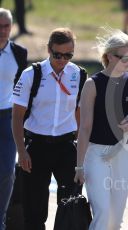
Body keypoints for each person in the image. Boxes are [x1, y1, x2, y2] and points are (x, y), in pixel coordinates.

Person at [11, 27, 86, 230]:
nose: (62, 60)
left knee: (71, 207)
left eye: (68, 55)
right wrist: (21, 151)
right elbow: (16, 117)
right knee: (34, 212)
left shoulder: (79, 75)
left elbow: (80, 114)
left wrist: (81, 152)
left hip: (67, 148)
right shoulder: (30, 74)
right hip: (36, 148)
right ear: (48, 49)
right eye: (57, 54)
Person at [74, 29, 128, 230]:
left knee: (115, 220)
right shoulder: (92, 84)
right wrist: (79, 166)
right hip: (96, 153)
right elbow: (85, 128)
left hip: (123, 152)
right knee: (103, 214)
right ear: (108, 56)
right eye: (123, 57)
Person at [0, 7, 27, 230]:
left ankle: (1, 219)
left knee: (8, 170)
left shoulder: (19, 52)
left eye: (6, 26)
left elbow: (22, 89)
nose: (2, 30)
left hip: (8, 117)